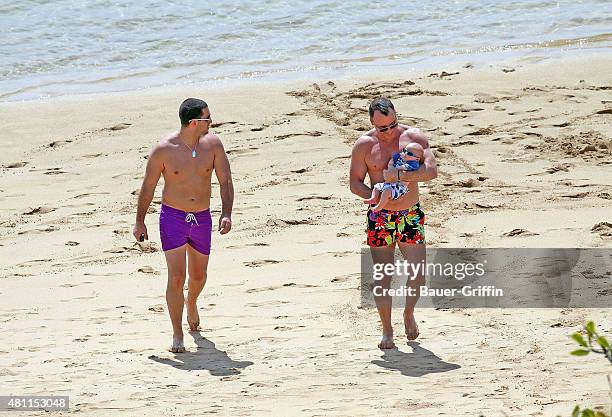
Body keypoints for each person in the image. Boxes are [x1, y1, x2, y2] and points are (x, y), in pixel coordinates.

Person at [132, 98, 234, 353]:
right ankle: (177, 334)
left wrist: (226, 213)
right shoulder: (164, 150)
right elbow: (148, 186)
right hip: (173, 218)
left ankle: (192, 303)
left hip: (202, 217)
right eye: (207, 118)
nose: (211, 122)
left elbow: (225, 180)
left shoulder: (213, 145)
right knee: (177, 277)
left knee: (198, 276)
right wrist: (140, 221)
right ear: (193, 122)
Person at [349, 97, 437, 349]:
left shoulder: (414, 138)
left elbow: (431, 172)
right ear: (372, 124)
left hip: (409, 213)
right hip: (380, 217)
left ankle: (408, 314)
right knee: (383, 277)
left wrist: (398, 175)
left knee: (417, 274)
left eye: (391, 126)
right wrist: (375, 195)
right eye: (381, 129)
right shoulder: (364, 145)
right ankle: (387, 331)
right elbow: (355, 183)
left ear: (397, 116)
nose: (387, 133)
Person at [363, 142, 424, 212]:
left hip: (399, 187)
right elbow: (392, 159)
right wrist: (393, 160)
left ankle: (380, 206)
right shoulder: (401, 158)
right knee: (376, 187)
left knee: (387, 191)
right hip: (389, 183)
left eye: (409, 154)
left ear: (417, 159)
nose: (405, 154)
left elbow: (404, 168)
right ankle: (373, 198)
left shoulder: (413, 164)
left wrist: (396, 168)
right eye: (404, 151)